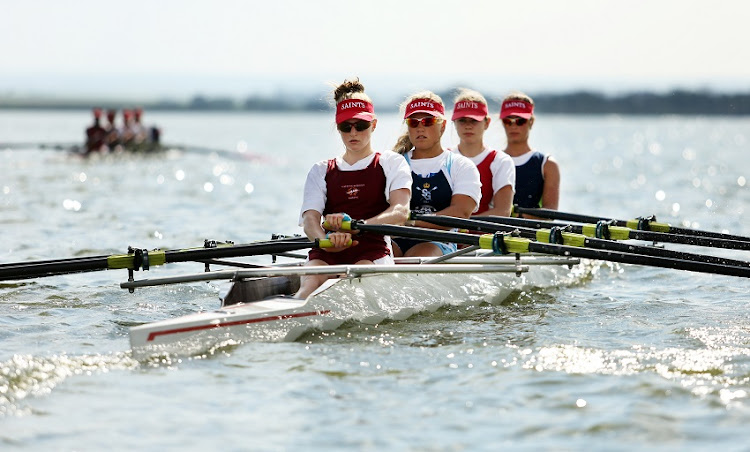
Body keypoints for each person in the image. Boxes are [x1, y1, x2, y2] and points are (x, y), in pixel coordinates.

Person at [296, 78, 412, 299]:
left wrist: (360, 226)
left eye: (361, 125)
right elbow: (310, 219)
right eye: (345, 126)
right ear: (337, 127)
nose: (353, 133)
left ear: (374, 125)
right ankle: (294, 309)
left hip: (372, 249)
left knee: (353, 287)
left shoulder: (391, 163)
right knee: (307, 290)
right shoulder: (321, 170)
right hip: (327, 249)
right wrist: (325, 241)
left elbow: (400, 212)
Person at [392, 92, 481, 257]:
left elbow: (460, 213)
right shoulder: (393, 163)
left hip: (439, 241)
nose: (420, 128)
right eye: (413, 122)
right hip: (395, 238)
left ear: (443, 125)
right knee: (385, 254)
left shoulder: (460, 166)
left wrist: (410, 221)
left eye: (428, 121)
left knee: (418, 255)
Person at [449, 88, 515, 217]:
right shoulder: (444, 158)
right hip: (446, 233)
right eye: (462, 120)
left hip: (483, 235)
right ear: (454, 123)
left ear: (487, 123)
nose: (468, 126)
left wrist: (463, 223)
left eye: (474, 120)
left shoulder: (500, 161)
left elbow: (503, 212)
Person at [500, 92, 560, 214]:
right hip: (495, 230)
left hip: (530, 231)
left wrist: (517, 215)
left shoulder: (547, 164)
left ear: (531, 122)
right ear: (502, 122)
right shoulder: (493, 159)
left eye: (520, 121)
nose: (513, 126)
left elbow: (550, 214)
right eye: (508, 121)